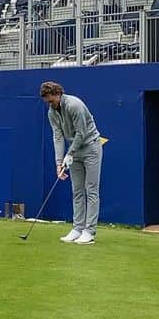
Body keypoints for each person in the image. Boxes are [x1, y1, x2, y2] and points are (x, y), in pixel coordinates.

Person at [40, 80, 103, 244]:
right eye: (47, 102)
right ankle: (77, 229)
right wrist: (59, 162)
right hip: (73, 153)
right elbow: (58, 137)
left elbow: (81, 133)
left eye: (51, 100)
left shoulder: (75, 105)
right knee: (77, 190)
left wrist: (70, 153)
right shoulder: (52, 112)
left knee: (91, 190)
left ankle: (89, 232)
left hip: (91, 148)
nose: (50, 104)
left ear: (58, 94)